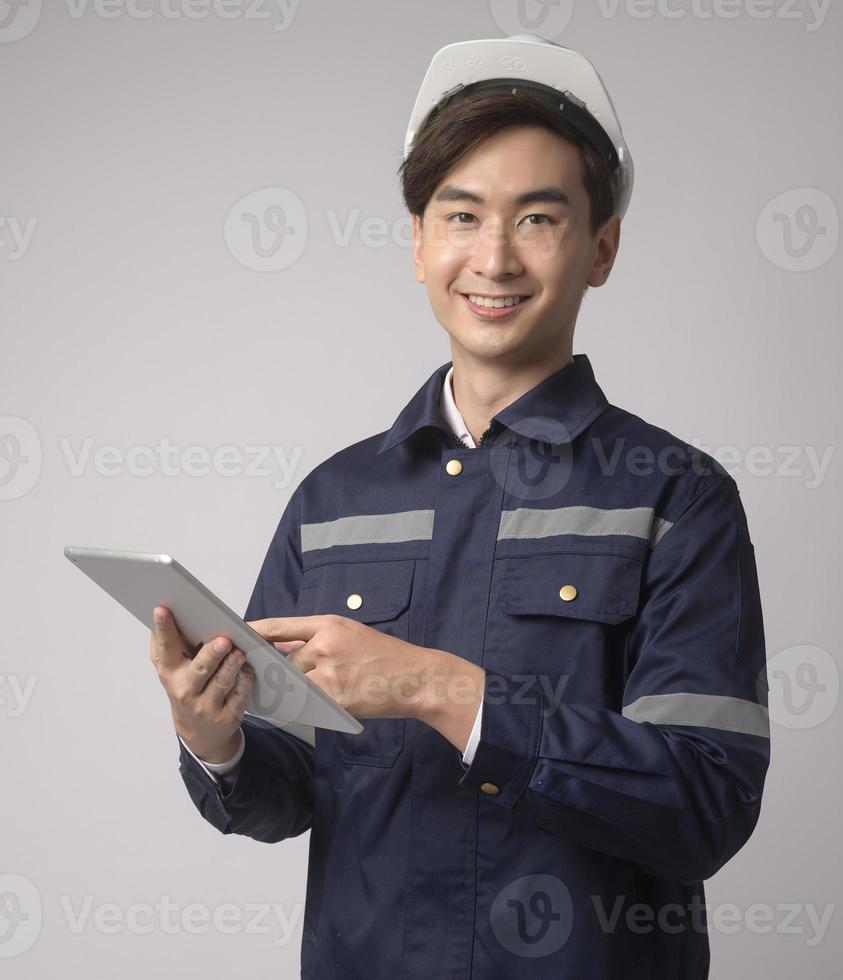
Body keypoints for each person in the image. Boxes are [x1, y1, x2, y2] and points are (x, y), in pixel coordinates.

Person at [146, 34, 769, 979]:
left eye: (536, 219)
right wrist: (216, 738)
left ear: (600, 247)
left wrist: (440, 689)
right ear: (417, 242)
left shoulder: (673, 496)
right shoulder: (334, 501)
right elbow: (289, 793)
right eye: (461, 215)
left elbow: (704, 803)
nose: (493, 257)